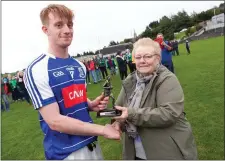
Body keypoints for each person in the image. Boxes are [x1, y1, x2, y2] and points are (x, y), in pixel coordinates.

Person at [23, 4, 120, 160]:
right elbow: (55, 121)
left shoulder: (79, 66)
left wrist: (89, 105)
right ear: (45, 30)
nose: (67, 30)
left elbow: (71, 100)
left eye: (70, 24)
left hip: (92, 146)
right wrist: (102, 130)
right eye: (59, 25)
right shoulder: (37, 69)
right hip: (66, 153)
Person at [111, 38, 198, 160]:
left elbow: (168, 113)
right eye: (138, 57)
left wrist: (130, 114)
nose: (142, 61)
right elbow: (119, 108)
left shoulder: (167, 79)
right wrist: (117, 122)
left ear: (157, 58)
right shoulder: (130, 81)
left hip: (166, 151)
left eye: (147, 56)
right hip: (135, 152)